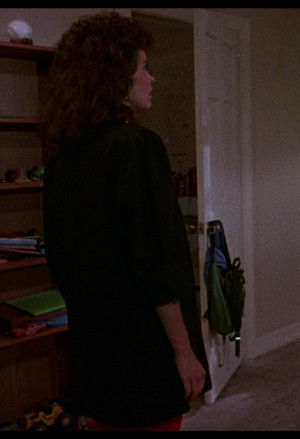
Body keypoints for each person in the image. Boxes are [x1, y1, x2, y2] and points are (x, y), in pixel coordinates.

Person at [42, 12, 210, 430]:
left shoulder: (65, 154)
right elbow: (155, 264)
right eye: (143, 67)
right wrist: (184, 352)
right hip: (143, 349)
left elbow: (61, 256)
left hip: (94, 348)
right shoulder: (135, 145)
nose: (151, 78)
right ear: (115, 77)